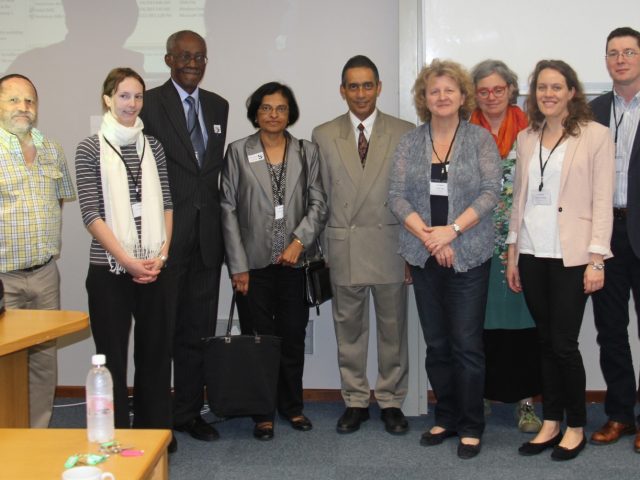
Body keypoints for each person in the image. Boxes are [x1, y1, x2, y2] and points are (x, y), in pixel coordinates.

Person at [389, 59, 501, 459]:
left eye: (449, 90)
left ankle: (471, 425)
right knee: (437, 344)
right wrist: (431, 238)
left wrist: (451, 231)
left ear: (462, 96)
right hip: (425, 255)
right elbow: (396, 196)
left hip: (469, 253)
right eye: (434, 91)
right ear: (424, 97)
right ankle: (447, 416)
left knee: (466, 344)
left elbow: (490, 192)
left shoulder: (480, 140)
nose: (441, 97)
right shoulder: (410, 142)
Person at [507, 60, 614, 461]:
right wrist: (513, 253)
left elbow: (602, 200)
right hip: (532, 252)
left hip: (573, 255)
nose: (548, 94)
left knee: (564, 344)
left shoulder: (595, 136)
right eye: (541, 87)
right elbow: (520, 199)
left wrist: (597, 258)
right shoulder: (526, 137)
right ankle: (550, 421)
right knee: (545, 341)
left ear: (571, 91)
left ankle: (575, 426)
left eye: (556, 87)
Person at [312, 55, 414, 435]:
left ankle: (390, 400)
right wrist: (321, 250)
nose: (360, 93)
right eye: (353, 86)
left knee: (393, 331)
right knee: (349, 332)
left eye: (367, 85)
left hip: (390, 244)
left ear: (379, 88)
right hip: (345, 245)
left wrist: (412, 252)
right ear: (342, 90)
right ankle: (355, 399)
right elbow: (319, 196)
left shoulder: (404, 132)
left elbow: (412, 196)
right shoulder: (324, 134)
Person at [221, 82, 328, 440]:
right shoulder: (238, 152)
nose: (273, 115)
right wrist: (237, 265)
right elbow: (228, 210)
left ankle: (292, 406)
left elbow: (319, 204)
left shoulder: (306, 151)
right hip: (252, 266)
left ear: (290, 113)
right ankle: (261, 412)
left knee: (293, 338)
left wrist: (299, 242)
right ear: (255, 113)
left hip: (294, 264)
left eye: (281, 108)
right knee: (259, 340)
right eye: (266, 108)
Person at [75, 68, 173, 445]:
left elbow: (167, 204)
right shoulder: (90, 147)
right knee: (111, 358)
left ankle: (153, 434)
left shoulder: (154, 147)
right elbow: (91, 214)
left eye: (138, 96)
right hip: (109, 270)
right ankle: (113, 435)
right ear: (108, 99)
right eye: (123, 96)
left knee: (155, 354)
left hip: (153, 267)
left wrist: (161, 255)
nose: (132, 104)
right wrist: (128, 261)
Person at [139, 30, 229, 442]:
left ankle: (189, 413)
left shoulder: (218, 106)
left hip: (207, 240)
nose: (193, 63)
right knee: (160, 335)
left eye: (200, 57)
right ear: (169, 59)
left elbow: (207, 172)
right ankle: (157, 421)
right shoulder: (149, 103)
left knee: (197, 332)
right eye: (185, 56)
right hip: (164, 239)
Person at [469, 59, 541, 433]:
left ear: (511, 89)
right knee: (476, 324)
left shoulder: (533, 130)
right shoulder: (463, 133)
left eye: (498, 89)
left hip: (522, 244)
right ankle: (480, 394)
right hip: (475, 243)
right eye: (483, 90)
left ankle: (526, 402)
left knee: (524, 323)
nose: (491, 96)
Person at [0, 74, 75, 428]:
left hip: (44, 274)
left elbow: (57, 201)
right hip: (3, 279)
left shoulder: (52, 149)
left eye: (29, 100)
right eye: (13, 100)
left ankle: (38, 433)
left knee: (44, 361)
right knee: (5, 362)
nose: (23, 107)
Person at [590, 26, 640, 453]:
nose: (620, 60)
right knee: (610, 330)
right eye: (613, 53)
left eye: (629, 52)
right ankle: (621, 414)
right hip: (605, 236)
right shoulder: (592, 111)